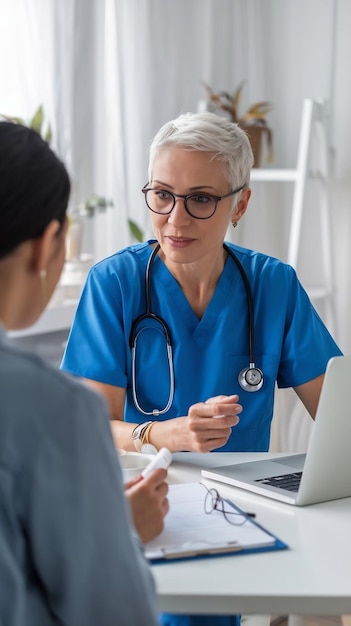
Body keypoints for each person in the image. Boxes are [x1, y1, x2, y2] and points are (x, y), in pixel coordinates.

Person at [61, 111, 342, 626]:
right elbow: (89, 430)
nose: (176, 218)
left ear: (241, 203)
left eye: (202, 199)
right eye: (162, 194)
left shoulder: (272, 285)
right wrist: (166, 433)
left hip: (253, 516)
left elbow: (340, 414)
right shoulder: (114, 285)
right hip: (149, 511)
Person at [0, 120, 169, 626]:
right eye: (162, 195)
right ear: (48, 243)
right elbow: (114, 613)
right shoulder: (50, 407)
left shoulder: (270, 280)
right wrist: (114, 530)